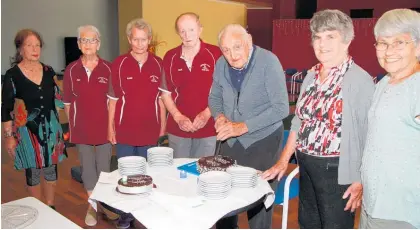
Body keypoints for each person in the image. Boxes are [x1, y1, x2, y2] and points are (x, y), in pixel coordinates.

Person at [262, 9, 375, 228]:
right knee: (308, 223)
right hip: (307, 163)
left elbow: (369, 135)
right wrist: (284, 160)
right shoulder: (311, 75)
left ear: (346, 40)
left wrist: (360, 180)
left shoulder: (359, 81)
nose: (322, 44)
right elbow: (298, 121)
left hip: (338, 171)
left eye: (330, 36)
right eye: (317, 37)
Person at [208, 24, 289, 229]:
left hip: (264, 139)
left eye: (237, 47)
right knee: (223, 196)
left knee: (258, 201)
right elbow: (214, 97)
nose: (232, 55)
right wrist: (219, 117)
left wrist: (243, 127)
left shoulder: (268, 62)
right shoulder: (220, 64)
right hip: (231, 139)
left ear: (249, 42)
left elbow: (281, 109)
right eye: (225, 50)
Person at [360, 9, 420, 229]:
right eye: (383, 43)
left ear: (418, 46)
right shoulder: (386, 82)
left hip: (402, 209)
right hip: (373, 203)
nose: (389, 50)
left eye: (400, 42)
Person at [1, 29, 66, 210]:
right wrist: (8, 137)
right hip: (26, 131)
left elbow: (59, 100)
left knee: (51, 169)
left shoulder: (48, 71)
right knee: (34, 171)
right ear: (20, 49)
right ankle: (39, 208)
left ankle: (50, 206)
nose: (34, 49)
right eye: (29, 45)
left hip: (51, 129)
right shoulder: (13, 75)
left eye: (37, 45)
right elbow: (5, 109)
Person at [62, 25, 113, 226]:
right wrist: (75, 124)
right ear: (78, 44)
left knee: (104, 168)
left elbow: (112, 101)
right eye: (84, 40)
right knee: (87, 170)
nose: (88, 44)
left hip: (104, 128)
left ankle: (105, 205)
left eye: (92, 40)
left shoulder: (108, 68)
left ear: (98, 43)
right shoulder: (71, 69)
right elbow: (67, 103)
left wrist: (112, 128)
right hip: (81, 129)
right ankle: (92, 207)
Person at [160, 12, 222, 158]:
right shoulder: (170, 57)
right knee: (179, 174)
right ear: (178, 33)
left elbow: (223, 91)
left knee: (203, 173)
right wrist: (177, 116)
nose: (187, 35)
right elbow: (165, 93)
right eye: (182, 31)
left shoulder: (216, 54)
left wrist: (208, 113)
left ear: (200, 29)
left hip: (208, 127)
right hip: (178, 129)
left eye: (191, 30)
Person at [109, 18, 166, 159]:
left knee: (148, 175)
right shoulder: (118, 63)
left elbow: (162, 100)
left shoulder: (159, 64)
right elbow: (113, 100)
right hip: (125, 132)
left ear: (149, 39)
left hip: (151, 132)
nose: (139, 44)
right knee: (126, 176)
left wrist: (163, 128)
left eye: (143, 39)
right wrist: (110, 128)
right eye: (135, 39)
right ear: (129, 39)